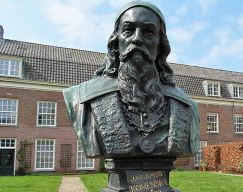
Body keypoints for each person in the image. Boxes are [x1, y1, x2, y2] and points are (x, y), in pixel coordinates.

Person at [63, 1, 199, 160]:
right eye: (128, 29)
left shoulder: (186, 105)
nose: (137, 39)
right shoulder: (81, 97)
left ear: (160, 46)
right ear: (116, 42)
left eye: (148, 32)